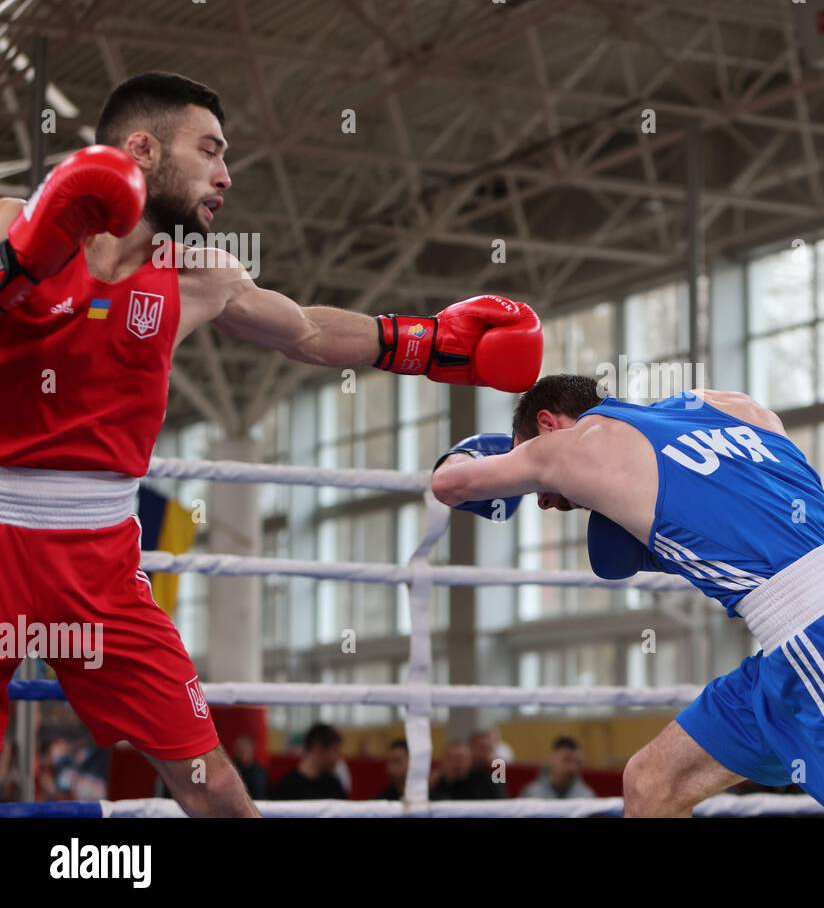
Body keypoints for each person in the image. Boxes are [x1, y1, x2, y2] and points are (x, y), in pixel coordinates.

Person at [0, 71, 543, 818]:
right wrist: (15, 264)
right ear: (141, 148)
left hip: (101, 557)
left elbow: (308, 331)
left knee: (215, 785)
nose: (225, 176)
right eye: (210, 151)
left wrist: (426, 343)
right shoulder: (13, 221)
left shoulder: (199, 275)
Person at [430, 375, 824, 818]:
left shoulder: (574, 446)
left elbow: (450, 487)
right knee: (651, 783)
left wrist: (469, 455)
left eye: (536, 478)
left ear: (548, 426)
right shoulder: (729, 406)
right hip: (801, 644)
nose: (544, 502)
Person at [270, 723, 348, 801]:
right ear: (318, 748)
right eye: (335, 751)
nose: (338, 757)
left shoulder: (334, 786)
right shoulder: (287, 787)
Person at [521, 736, 596, 800]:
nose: (572, 767)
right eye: (566, 760)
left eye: (576, 762)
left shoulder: (586, 796)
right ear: (552, 759)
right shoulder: (532, 794)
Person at [429, 740, 503, 801]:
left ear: (470, 761)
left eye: (461, 758)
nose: (457, 763)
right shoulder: (436, 783)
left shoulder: (486, 781)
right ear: (443, 761)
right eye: (451, 758)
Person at [230, 733, 268, 799]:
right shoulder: (232, 770)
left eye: (245, 747)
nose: (243, 751)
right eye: (239, 749)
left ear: (252, 748)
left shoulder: (259, 770)